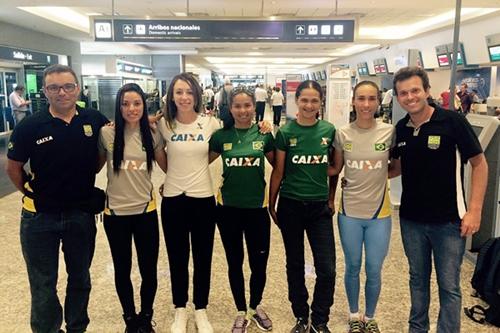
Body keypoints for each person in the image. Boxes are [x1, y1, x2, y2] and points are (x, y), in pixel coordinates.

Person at [5, 64, 108, 333]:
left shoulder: (93, 119)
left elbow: (103, 153)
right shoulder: (30, 126)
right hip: (39, 218)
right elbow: (13, 167)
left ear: (77, 88)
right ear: (44, 91)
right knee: (42, 283)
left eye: (68, 86)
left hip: (81, 214)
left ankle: (76, 327)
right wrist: (29, 191)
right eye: (54, 88)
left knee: (80, 278)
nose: (62, 92)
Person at [391, 67, 488, 333]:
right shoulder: (402, 128)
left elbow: (480, 165)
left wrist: (475, 211)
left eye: (415, 90)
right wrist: (360, 175)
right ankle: (417, 329)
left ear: (426, 91)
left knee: (449, 286)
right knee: (417, 281)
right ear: (397, 97)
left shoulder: (452, 122)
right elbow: (396, 168)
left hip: (448, 221)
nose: (410, 97)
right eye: (403, 93)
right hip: (411, 220)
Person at [97, 83, 167, 333]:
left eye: (137, 103)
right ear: (118, 107)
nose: (131, 108)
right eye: (125, 104)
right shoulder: (107, 134)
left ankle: (146, 317)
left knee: (149, 270)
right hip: (115, 214)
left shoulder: (153, 133)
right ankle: (129, 317)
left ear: (144, 105)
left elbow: (169, 166)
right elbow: (93, 167)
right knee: (122, 268)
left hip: (145, 212)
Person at [269, 80, 337, 333]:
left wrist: (331, 197)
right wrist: (271, 202)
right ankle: (301, 315)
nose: (309, 105)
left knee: (327, 268)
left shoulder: (329, 131)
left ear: (321, 102)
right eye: (304, 100)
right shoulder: (286, 132)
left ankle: (320, 319)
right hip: (291, 206)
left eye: (314, 100)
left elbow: (334, 169)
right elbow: (279, 170)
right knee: (295, 264)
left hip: (319, 208)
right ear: (296, 101)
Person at [329, 81, 396, 333]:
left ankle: (370, 317)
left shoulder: (389, 131)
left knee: (374, 269)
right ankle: (354, 315)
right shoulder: (342, 133)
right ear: (353, 101)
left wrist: (376, 177)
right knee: (353, 266)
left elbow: (396, 166)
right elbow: (335, 169)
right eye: (361, 98)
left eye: (371, 99)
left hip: (380, 214)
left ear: (378, 101)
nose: (366, 104)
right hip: (349, 213)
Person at [157, 73, 220, 333]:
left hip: (203, 199)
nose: (184, 97)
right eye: (179, 92)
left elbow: (217, 149)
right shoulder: (164, 124)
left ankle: (201, 309)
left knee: (203, 257)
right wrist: (173, 174)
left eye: (189, 92)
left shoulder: (211, 123)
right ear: (171, 96)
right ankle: (180, 309)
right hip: (173, 200)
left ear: (197, 95)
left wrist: (195, 168)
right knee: (177, 258)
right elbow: (160, 154)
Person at [208, 86, 275, 333]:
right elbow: (196, 163)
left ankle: (255, 306)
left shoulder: (265, 134)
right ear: (230, 108)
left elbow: (279, 167)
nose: (243, 110)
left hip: (257, 209)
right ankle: (240, 310)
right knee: (234, 262)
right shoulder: (220, 136)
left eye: (247, 105)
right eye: (237, 106)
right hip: (227, 210)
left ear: (253, 107)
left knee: (259, 263)